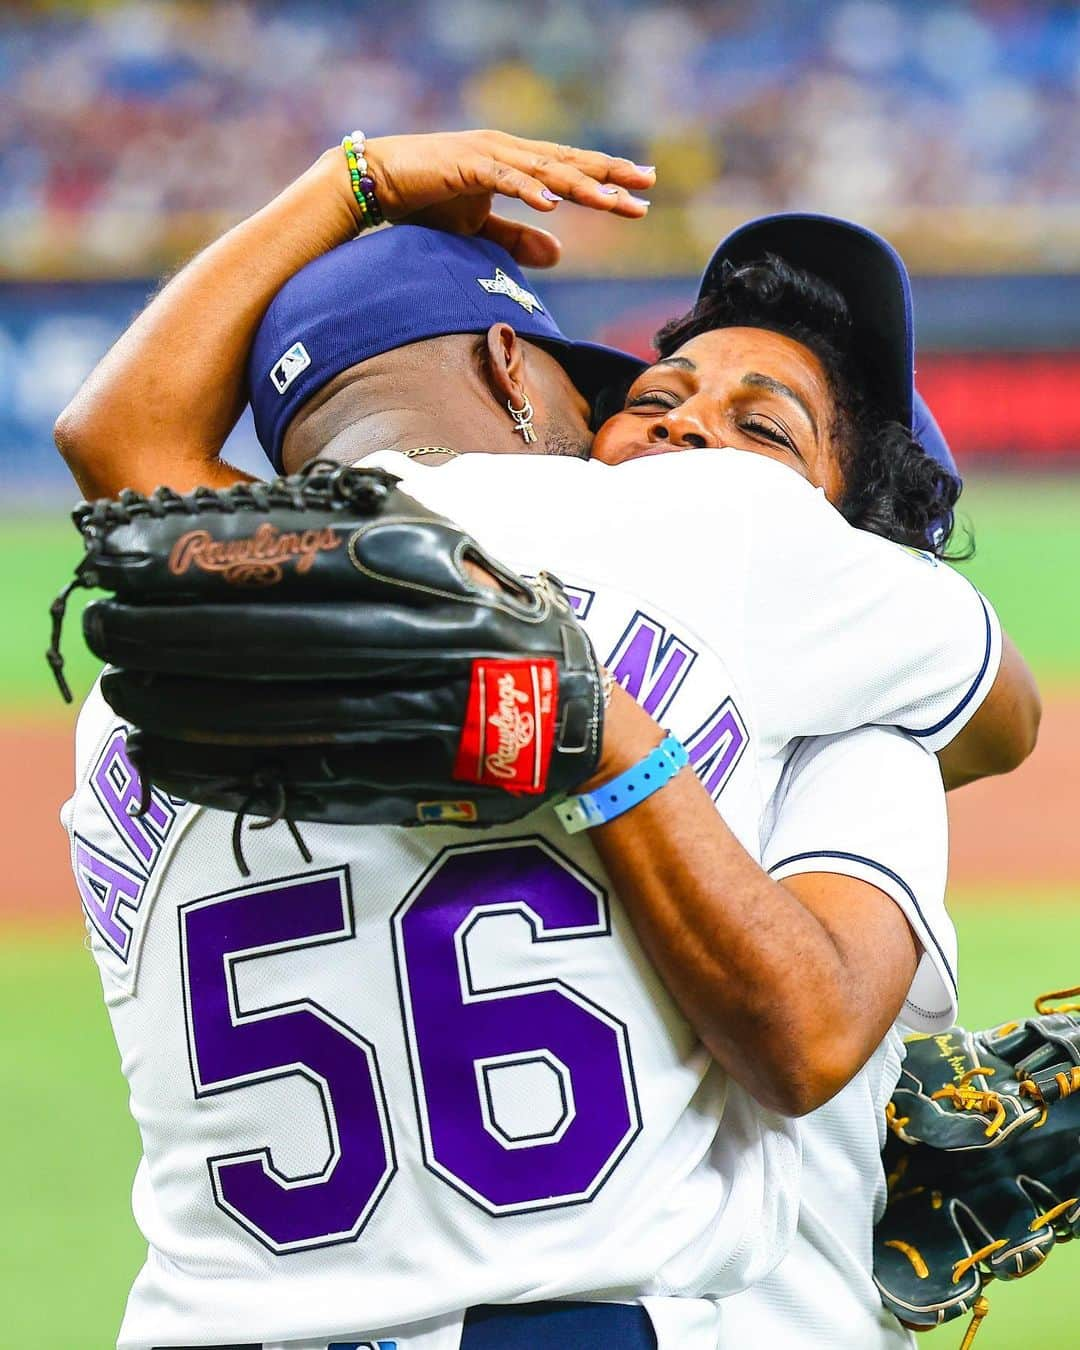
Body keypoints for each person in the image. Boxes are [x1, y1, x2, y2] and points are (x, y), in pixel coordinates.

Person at [56, 132, 1035, 1350]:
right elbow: (1004, 717)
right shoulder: (713, 555)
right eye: (635, 398)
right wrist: (607, 729)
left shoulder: (156, 680)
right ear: (513, 367)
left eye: (766, 428)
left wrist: (351, 176)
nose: (677, 438)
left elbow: (115, 448)